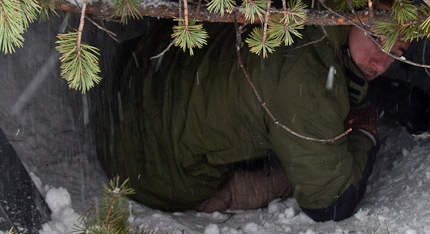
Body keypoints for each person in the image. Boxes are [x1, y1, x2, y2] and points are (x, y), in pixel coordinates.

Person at [94, 21, 409, 222]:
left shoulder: (305, 4)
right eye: (378, 37)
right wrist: (365, 133)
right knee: (309, 166)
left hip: (125, 87)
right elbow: (332, 202)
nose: (381, 63)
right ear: (356, 12)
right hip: (150, 170)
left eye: (397, 51)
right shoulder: (307, 84)